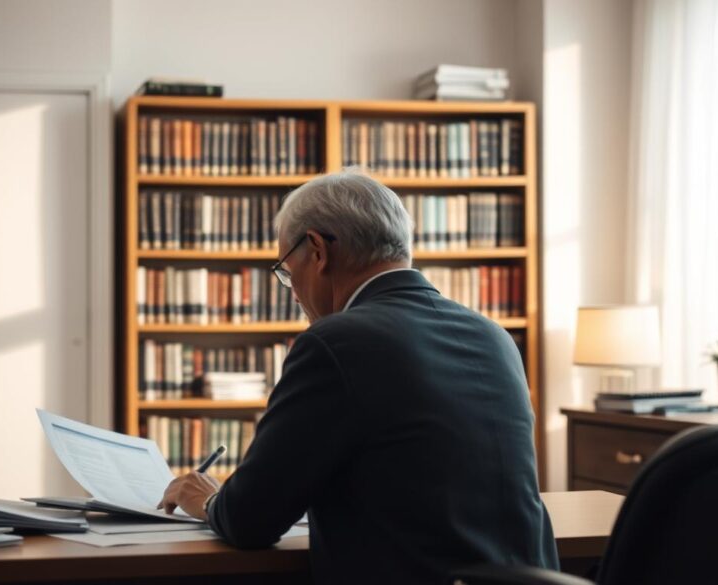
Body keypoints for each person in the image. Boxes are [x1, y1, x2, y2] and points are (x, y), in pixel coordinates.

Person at [158, 172, 558, 583]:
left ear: (316, 250)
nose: (291, 289)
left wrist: (206, 500)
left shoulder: (335, 343)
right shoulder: (494, 335)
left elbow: (249, 520)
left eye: (285, 269)